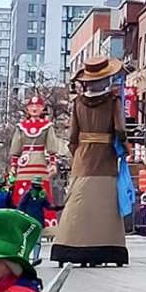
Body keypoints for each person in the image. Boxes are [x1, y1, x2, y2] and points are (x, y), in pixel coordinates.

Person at [50, 53, 132, 266]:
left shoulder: (78, 103)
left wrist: (77, 152)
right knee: (105, 205)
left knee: (78, 203)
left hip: (82, 159)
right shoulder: (113, 101)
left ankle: (69, 245)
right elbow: (120, 130)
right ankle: (109, 248)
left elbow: (72, 136)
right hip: (105, 158)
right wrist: (124, 146)